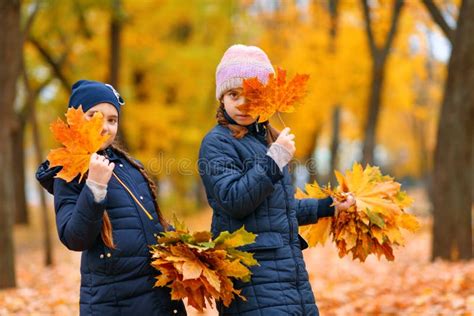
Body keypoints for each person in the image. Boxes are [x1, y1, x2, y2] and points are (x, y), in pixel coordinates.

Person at [198, 45, 354, 315]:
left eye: (253, 95)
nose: (243, 103)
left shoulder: (265, 140)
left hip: (288, 271)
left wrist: (327, 207)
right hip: (251, 275)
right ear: (221, 98)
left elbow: (276, 211)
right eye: (234, 94)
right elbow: (233, 200)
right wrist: (275, 159)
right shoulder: (217, 143)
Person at [36, 80, 186, 315]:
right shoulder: (68, 172)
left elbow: (149, 223)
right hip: (114, 301)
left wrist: (179, 245)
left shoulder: (130, 166)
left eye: (111, 119)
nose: (104, 126)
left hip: (157, 296)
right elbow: (74, 238)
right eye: (93, 116)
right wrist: (95, 187)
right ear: (75, 121)